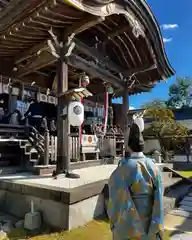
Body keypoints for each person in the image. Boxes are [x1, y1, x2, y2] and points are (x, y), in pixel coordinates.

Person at [108, 118, 164, 240]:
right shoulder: (153, 168)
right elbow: (159, 199)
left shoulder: (122, 170)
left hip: (127, 227)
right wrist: (157, 225)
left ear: (128, 146)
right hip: (149, 225)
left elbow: (114, 201)